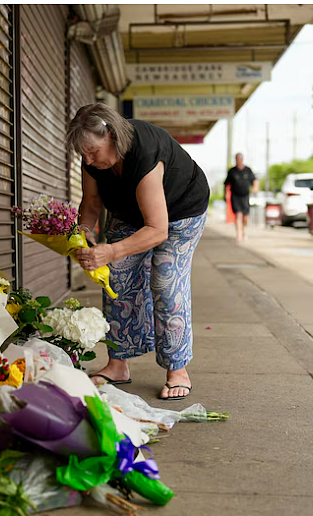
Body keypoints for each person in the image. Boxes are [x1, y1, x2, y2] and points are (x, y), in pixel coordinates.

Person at [67, 103, 208, 401]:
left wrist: (112, 250)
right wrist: (84, 234)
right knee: (116, 278)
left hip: (181, 213)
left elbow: (158, 229)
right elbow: (91, 204)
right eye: (84, 154)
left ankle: (177, 369)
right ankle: (118, 364)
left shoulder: (144, 154)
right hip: (128, 212)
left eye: (94, 151)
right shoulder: (92, 159)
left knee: (165, 283)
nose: (89, 160)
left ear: (112, 136)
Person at [224, 153, 259, 243]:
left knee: (245, 217)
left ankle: (243, 232)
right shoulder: (232, 171)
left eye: (239, 159)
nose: (238, 161)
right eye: (236, 159)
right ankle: (239, 235)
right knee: (238, 214)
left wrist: (255, 187)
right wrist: (225, 194)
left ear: (242, 160)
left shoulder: (248, 170)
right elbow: (227, 184)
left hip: (245, 196)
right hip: (235, 196)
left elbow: (255, 180)